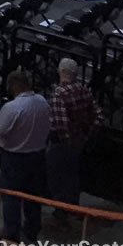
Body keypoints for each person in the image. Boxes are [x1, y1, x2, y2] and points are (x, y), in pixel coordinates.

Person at [0, 68, 51, 243]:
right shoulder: (42, 101)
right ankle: (31, 231)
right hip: (37, 155)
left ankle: (12, 232)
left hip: (15, 157)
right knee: (33, 196)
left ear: (14, 86)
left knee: (12, 196)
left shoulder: (13, 107)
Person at [47, 57, 102, 211]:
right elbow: (99, 115)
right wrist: (88, 135)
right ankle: (72, 206)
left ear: (62, 72)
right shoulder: (84, 90)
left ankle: (60, 209)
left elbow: (61, 124)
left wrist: (67, 140)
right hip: (79, 140)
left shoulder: (59, 94)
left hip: (62, 143)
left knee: (56, 176)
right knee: (72, 175)